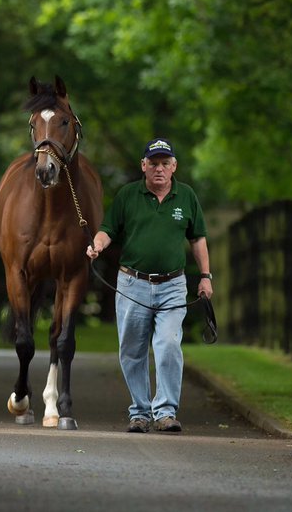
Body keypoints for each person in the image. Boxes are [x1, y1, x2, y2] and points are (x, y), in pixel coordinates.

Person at [85, 137, 213, 434]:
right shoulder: (128, 195)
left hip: (172, 284)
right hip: (133, 284)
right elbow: (108, 230)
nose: (159, 169)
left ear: (174, 166)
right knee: (132, 349)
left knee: (168, 344)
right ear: (143, 166)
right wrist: (97, 245)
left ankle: (166, 412)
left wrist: (206, 276)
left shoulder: (187, 196)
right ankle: (139, 412)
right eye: (153, 163)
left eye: (165, 163)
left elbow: (198, 238)